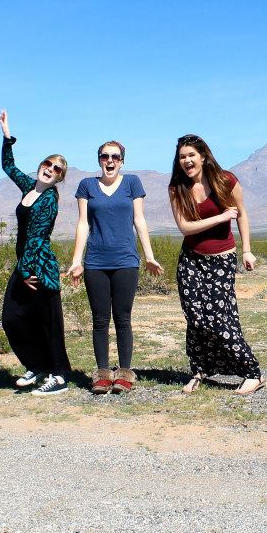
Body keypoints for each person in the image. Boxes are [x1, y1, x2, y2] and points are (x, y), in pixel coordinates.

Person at [168, 134, 265, 395]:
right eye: (182, 157)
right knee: (195, 318)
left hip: (221, 260)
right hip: (190, 260)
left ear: (202, 156)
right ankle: (199, 371)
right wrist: (221, 217)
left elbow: (242, 215)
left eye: (191, 155)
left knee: (221, 319)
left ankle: (251, 373)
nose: (186, 161)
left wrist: (247, 250)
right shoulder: (177, 188)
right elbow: (185, 228)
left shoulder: (225, 180)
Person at [66, 140, 164, 394]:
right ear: (99, 159)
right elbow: (83, 224)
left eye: (115, 157)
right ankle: (101, 373)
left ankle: (124, 374)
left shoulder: (132, 183)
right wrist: (77, 261)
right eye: (105, 156)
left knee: (123, 318)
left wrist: (149, 255)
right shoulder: (87, 186)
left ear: (122, 161)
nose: (110, 161)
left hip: (125, 261)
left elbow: (139, 220)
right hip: (95, 262)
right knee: (100, 320)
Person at [0, 108, 72, 395]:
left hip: (38, 267)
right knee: (13, 319)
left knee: (47, 323)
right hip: (25, 266)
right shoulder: (30, 187)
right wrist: (7, 135)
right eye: (48, 164)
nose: (50, 169)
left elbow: (37, 238)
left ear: (59, 178)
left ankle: (58, 376)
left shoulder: (49, 200)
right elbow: (8, 167)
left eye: (56, 170)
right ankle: (37, 366)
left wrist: (27, 271)